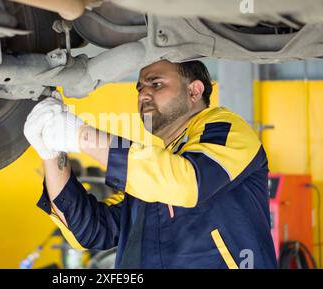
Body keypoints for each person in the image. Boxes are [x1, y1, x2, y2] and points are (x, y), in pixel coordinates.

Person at [23, 60, 277, 269]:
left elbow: (187, 182)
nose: (143, 94)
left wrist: (79, 134)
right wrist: (51, 153)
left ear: (194, 91)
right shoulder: (153, 174)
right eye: (139, 88)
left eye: (156, 84)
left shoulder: (225, 128)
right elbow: (91, 231)